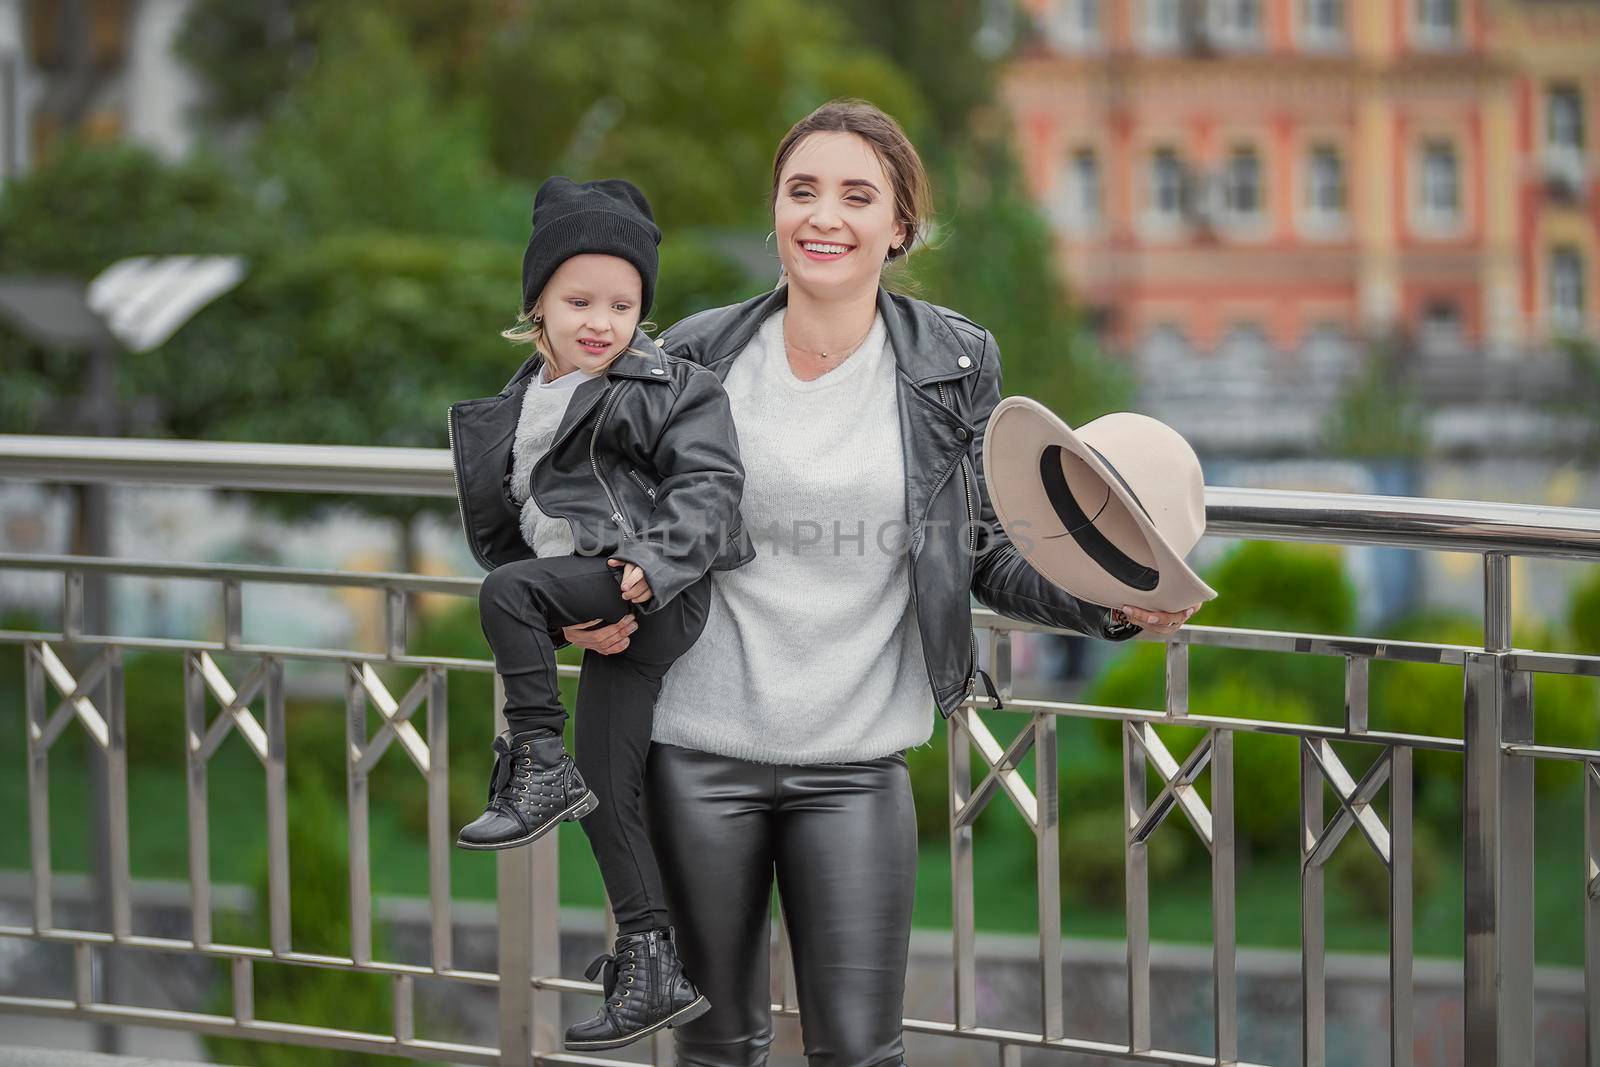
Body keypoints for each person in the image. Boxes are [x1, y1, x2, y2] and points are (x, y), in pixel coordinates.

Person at [555, 100, 1202, 1067]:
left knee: (859, 1053)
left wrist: (1107, 602)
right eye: (802, 191)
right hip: (692, 752)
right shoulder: (696, 353)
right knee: (714, 1050)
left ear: (899, 226)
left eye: (858, 196)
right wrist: (586, 606)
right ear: (775, 209)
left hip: (854, 768)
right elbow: (613, 509)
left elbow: (983, 545)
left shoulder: (954, 361)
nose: (826, 216)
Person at [446, 175, 754, 1051]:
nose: (601, 321)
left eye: (622, 304)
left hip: (644, 582)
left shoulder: (667, 387)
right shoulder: (514, 404)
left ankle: (535, 760)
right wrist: (563, 619)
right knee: (607, 785)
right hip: (581, 597)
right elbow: (518, 532)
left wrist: (645, 569)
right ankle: (651, 964)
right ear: (535, 304)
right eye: (579, 299)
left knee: (506, 596)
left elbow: (711, 489)